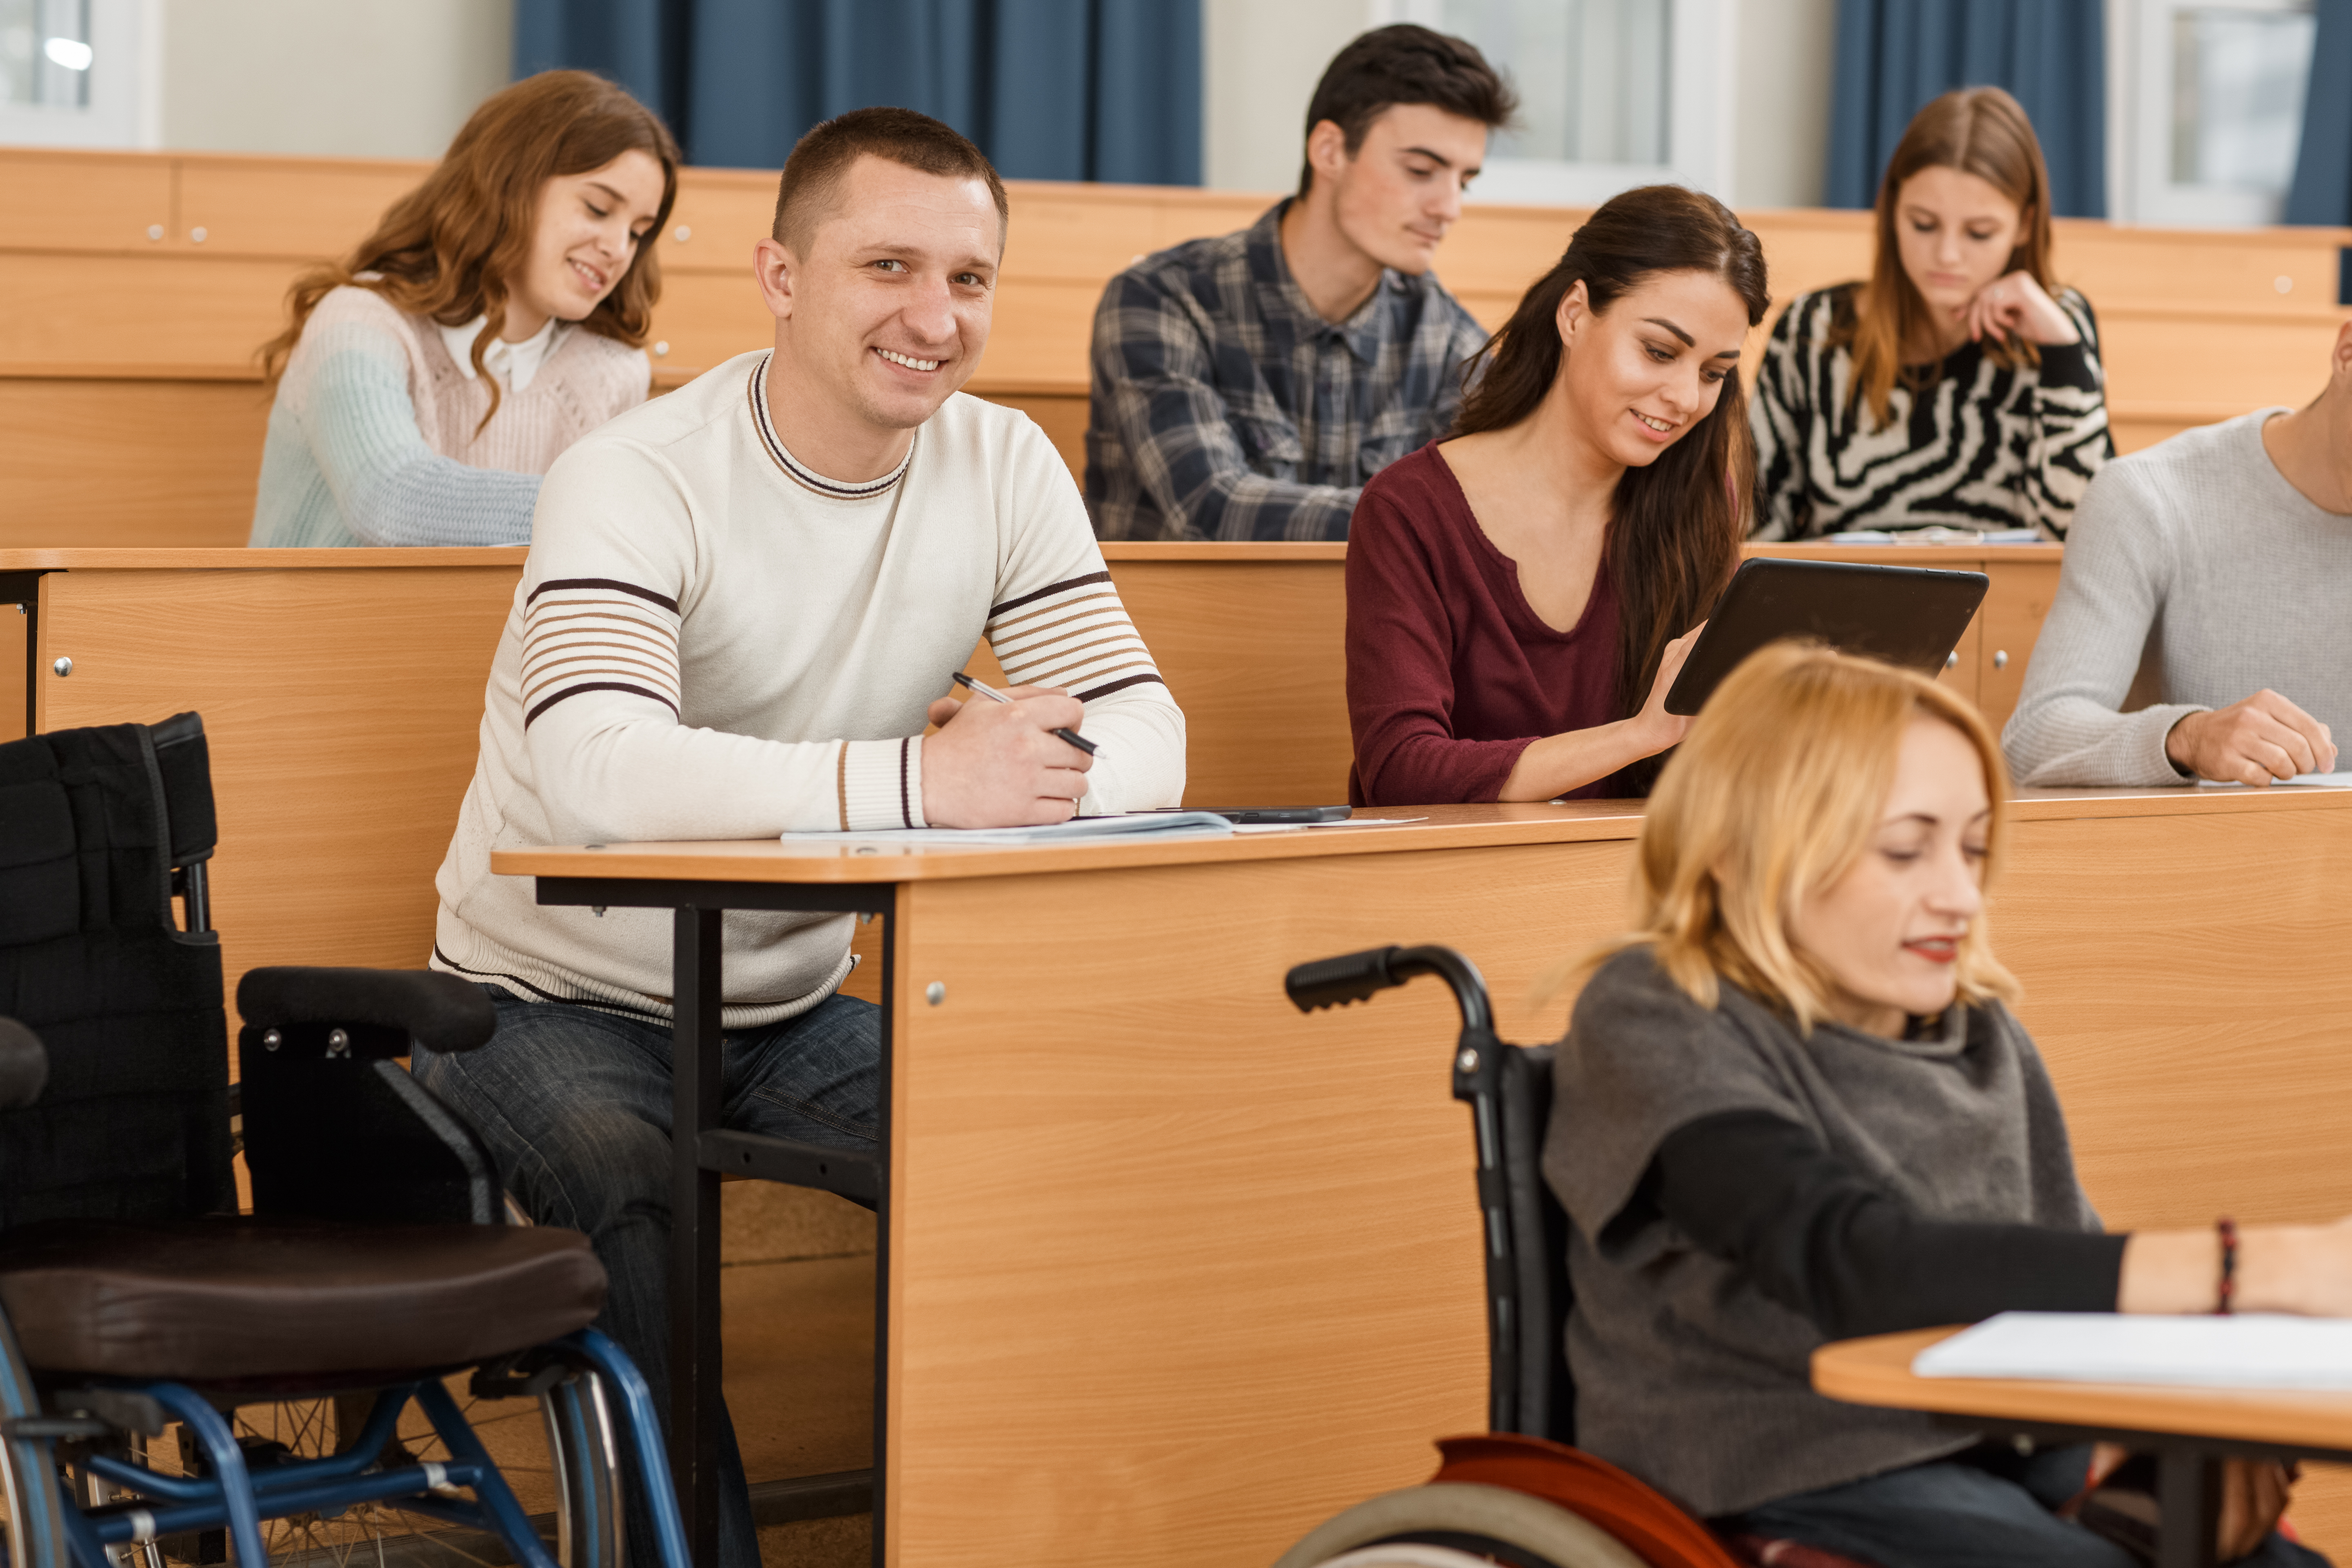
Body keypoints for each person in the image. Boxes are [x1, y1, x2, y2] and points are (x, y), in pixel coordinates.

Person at [412, 107, 1186, 1568]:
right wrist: (919, 783)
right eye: (885, 265)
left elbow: (1151, 732)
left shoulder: (1004, 463)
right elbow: (592, 767)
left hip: (780, 1002)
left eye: (967, 278)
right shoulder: (637, 474)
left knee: (1035, 1156)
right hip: (537, 998)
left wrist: (1032, 771)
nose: (931, 315)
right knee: (639, 1212)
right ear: (778, 277)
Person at [1546, 641, 2336, 1567]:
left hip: (1997, 1432)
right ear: (1735, 849)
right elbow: (1857, 1261)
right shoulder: (1656, 1010)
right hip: (1783, 1461)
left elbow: (2049, 1266)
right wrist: (2259, 1263)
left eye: (1969, 848)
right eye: (1901, 848)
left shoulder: (1968, 1025)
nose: (1959, 896)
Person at [1345, 185, 1766, 807]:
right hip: (1449, 888)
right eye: (1658, 352)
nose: (1685, 398)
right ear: (1574, 314)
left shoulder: (1698, 500)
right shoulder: (1409, 509)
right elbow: (1401, 771)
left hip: (1633, 883)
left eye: (1713, 374)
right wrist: (1637, 737)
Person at [1084, 24, 1513, 541]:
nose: (1450, 208)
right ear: (1330, 151)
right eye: (1422, 170)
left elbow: (1497, 507)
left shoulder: (1449, 340)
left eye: (1464, 182)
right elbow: (1211, 507)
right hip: (1172, 623)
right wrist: (1416, 518)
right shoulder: (1162, 300)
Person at [250, 71, 675, 547]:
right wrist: (624, 502)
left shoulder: (613, 370)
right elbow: (387, 499)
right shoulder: (357, 324)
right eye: (598, 208)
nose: (620, 249)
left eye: (639, 231)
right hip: (314, 622)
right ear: (508, 184)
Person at [1750, 87, 2111, 541]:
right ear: (1892, 211)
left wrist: (2062, 353)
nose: (1947, 255)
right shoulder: (1815, 328)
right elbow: (1757, 529)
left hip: (2009, 609)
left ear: (2024, 225)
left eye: (1979, 233)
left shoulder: (2060, 326)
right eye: (1923, 224)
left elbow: (2081, 535)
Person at [2004, 319, 2351, 788]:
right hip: (2201, 854)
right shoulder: (2148, 498)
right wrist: (2188, 738)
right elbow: (2035, 737)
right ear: (2347, 351)